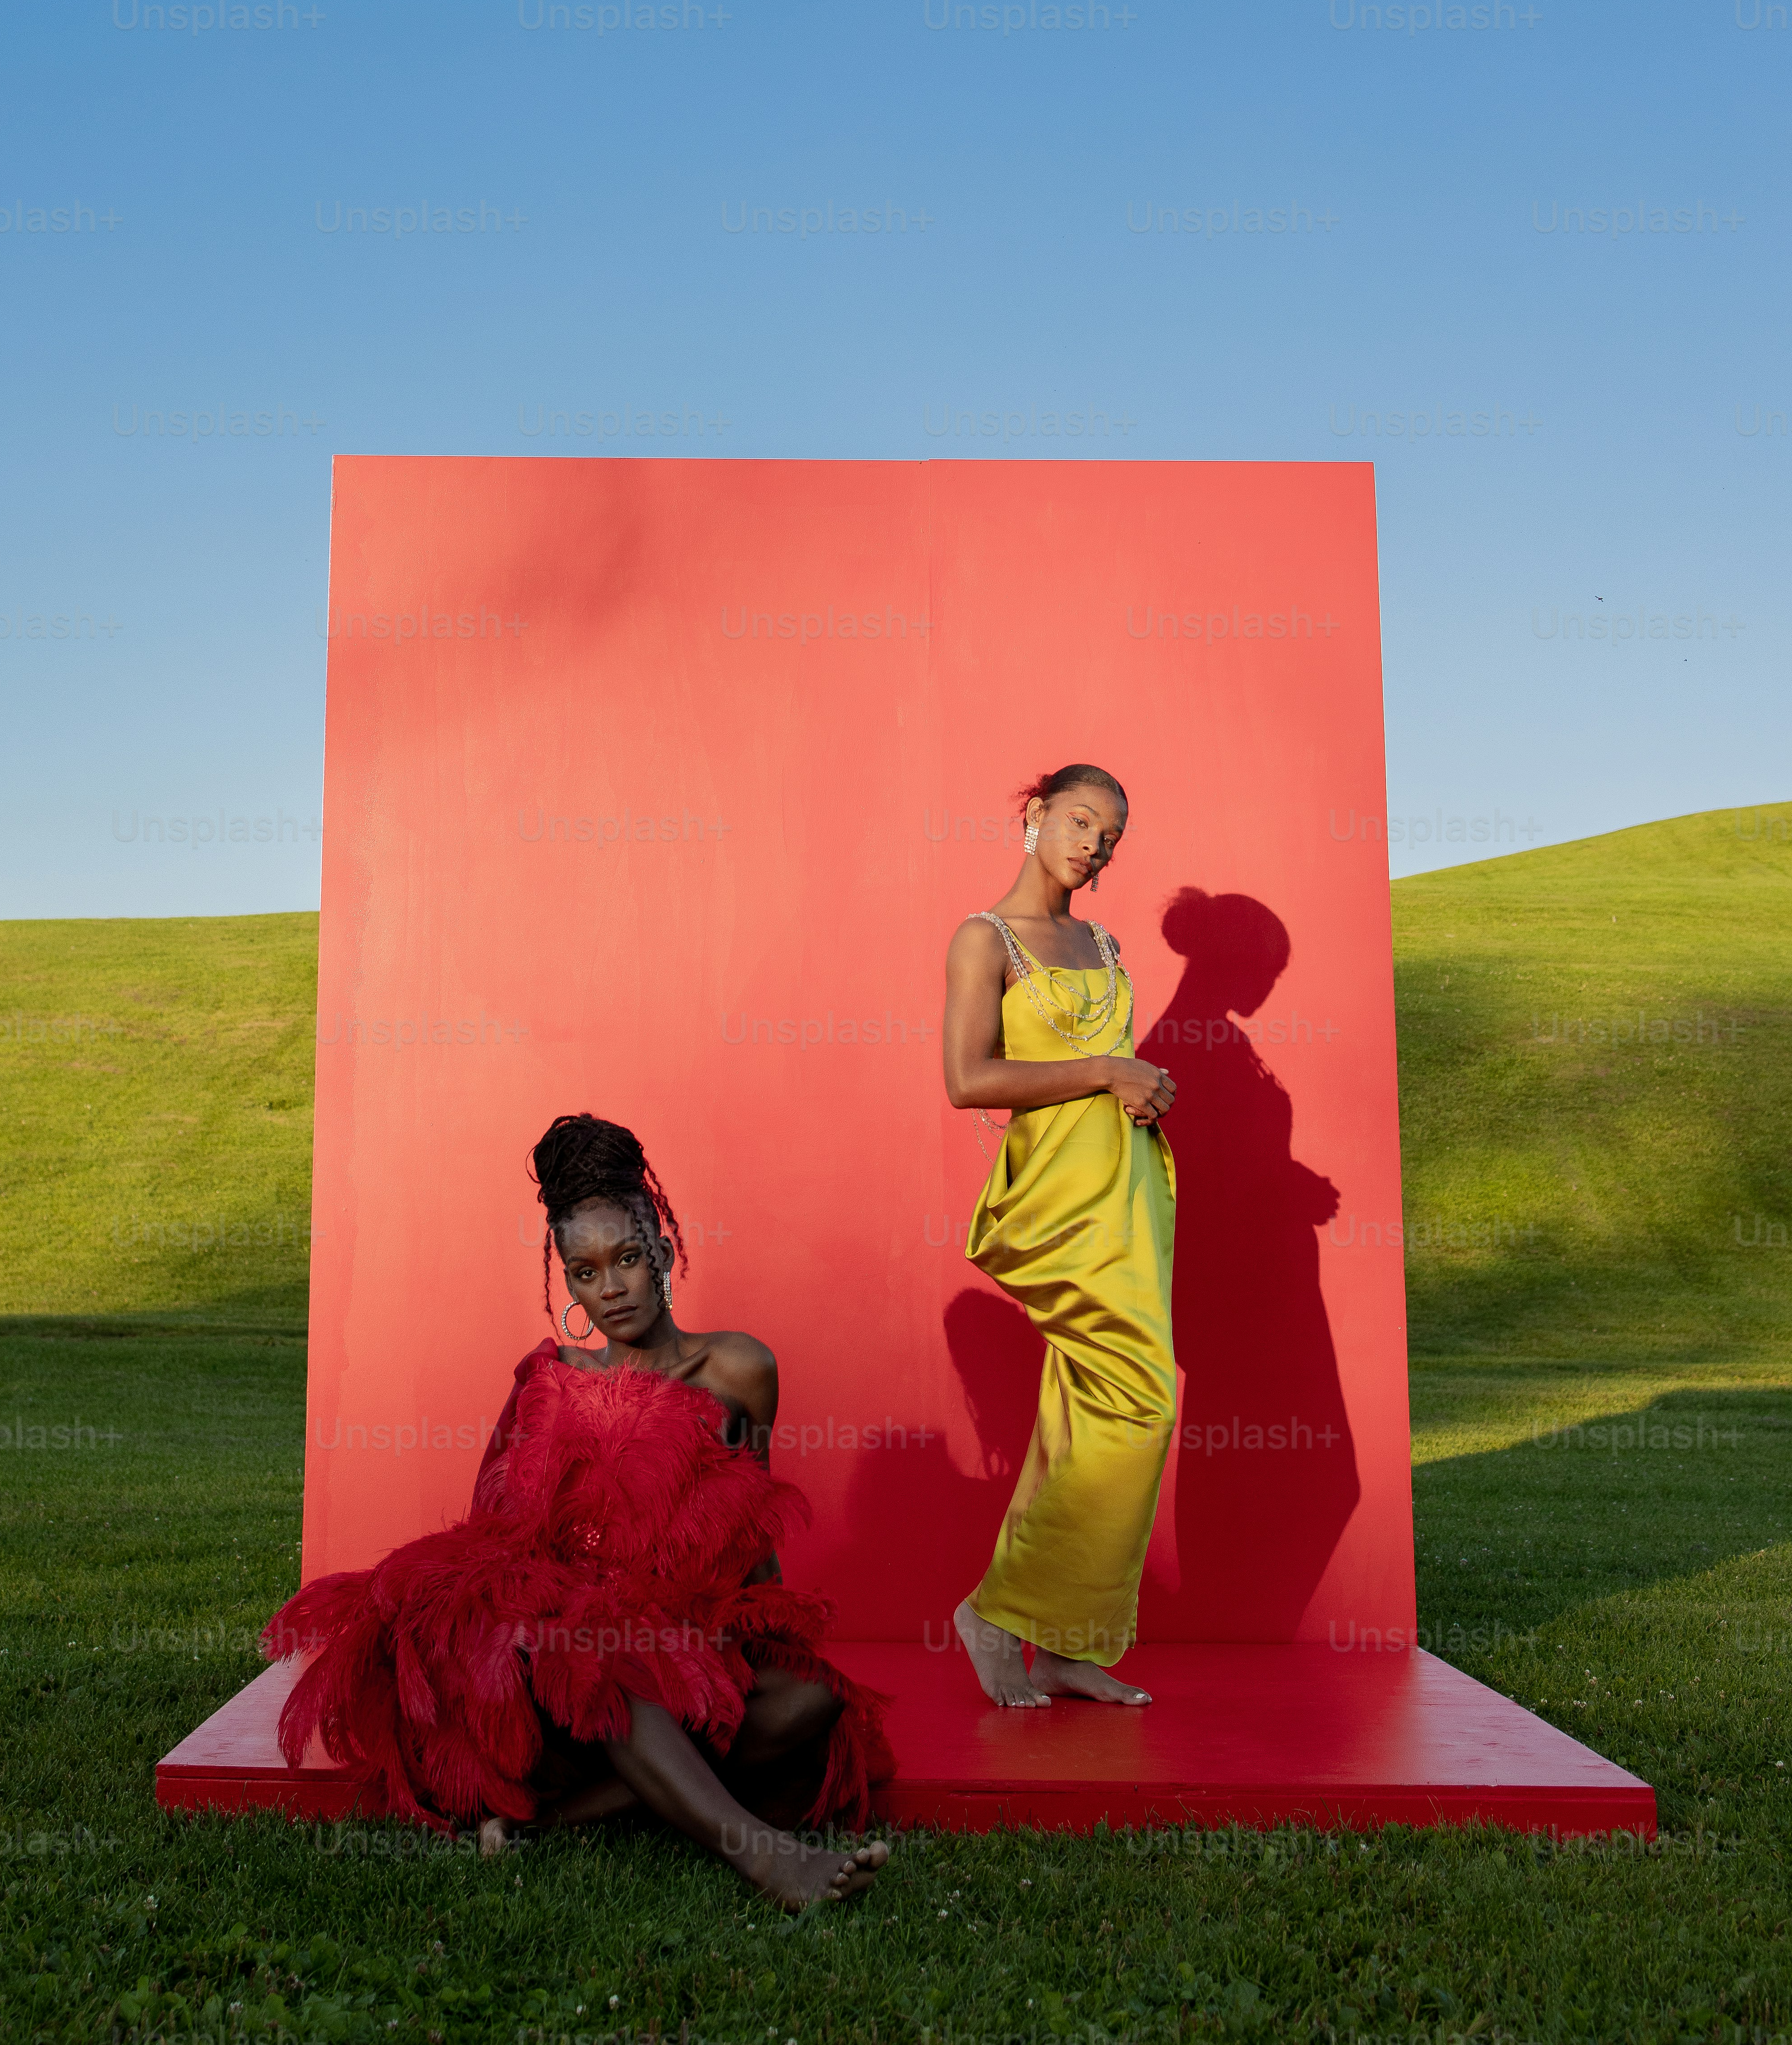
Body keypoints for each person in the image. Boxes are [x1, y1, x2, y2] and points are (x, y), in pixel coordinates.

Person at [264, 1112, 893, 1909]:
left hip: (682, 1636)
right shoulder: (548, 1379)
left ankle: (548, 1823)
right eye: (585, 1271)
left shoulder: (739, 1367)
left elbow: (753, 1520)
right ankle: (764, 1856)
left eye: (627, 1259)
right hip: (559, 1662)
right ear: (565, 1279)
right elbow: (486, 1548)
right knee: (599, 1643)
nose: (611, 1288)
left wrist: (758, 1637)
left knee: (813, 1698)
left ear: (662, 1251)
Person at [940, 762, 1178, 1708]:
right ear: (1035, 814)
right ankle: (997, 1614)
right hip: (1055, 1204)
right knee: (1138, 1403)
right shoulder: (982, 939)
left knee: (1082, 1411)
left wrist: (1143, 1086)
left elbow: (1114, 1072)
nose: (1093, 845)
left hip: (1129, 1196)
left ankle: (1071, 1644)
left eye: (1110, 836)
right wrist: (1107, 1070)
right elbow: (968, 1079)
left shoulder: (1104, 941)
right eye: (1080, 821)